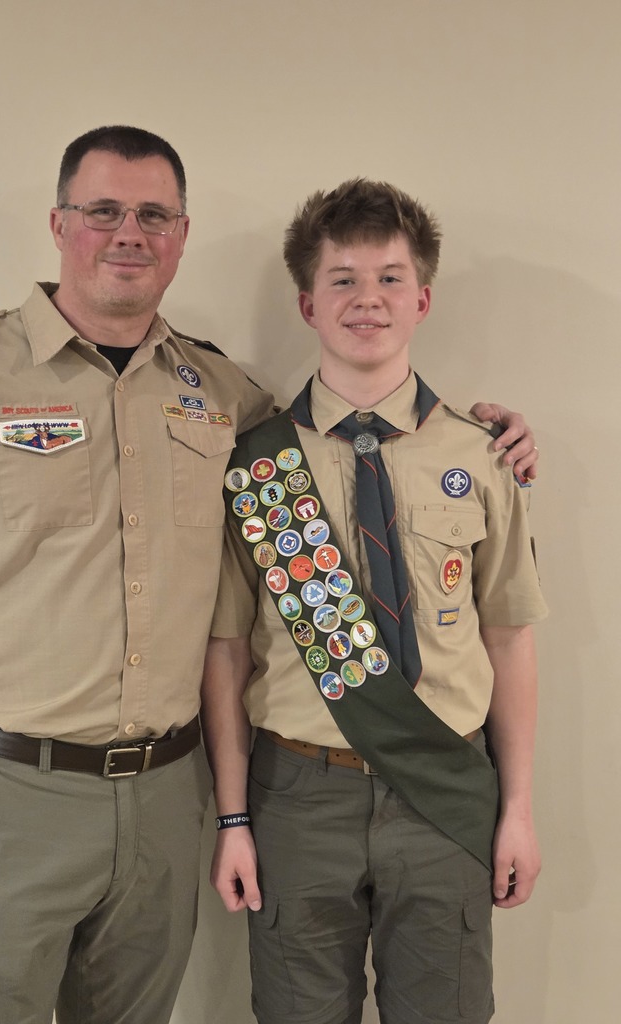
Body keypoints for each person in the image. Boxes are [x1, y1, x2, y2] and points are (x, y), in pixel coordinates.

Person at [0, 124, 537, 1024]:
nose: (127, 232)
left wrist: (493, 435)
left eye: (153, 214)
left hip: (166, 795)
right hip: (15, 794)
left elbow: (355, 424)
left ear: (181, 235)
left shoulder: (223, 397)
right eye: (103, 211)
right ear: (59, 224)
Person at [202, 178, 547, 1024]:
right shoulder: (258, 463)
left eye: (390, 278)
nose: (368, 300)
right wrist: (235, 816)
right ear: (307, 303)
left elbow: (508, 639)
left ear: (423, 298)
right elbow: (227, 652)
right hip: (297, 798)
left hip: (443, 787)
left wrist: (519, 810)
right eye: (343, 279)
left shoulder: (485, 454)